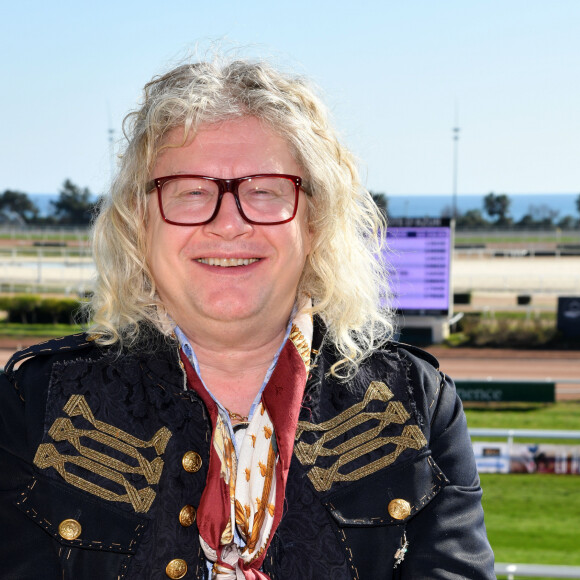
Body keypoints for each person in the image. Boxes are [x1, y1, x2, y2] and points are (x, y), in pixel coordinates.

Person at [0, 56, 495, 579]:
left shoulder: (414, 402)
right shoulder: (35, 405)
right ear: (137, 221)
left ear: (315, 221)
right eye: (191, 191)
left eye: (265, 190)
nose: (229, 223)